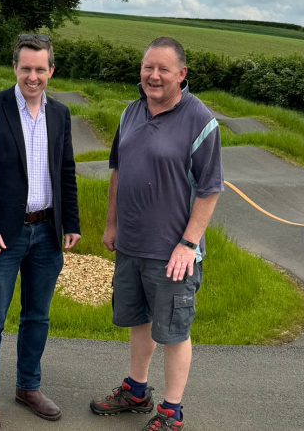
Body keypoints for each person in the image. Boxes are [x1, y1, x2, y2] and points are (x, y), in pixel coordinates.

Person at [90, 37, 223, 431]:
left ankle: (171, 412)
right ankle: (136, 391)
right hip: (131, 243)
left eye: (164, 69)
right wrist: (112, 224)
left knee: (173, 331)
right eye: (149, 67)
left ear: (181, 75)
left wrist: (187, 244)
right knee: (139, 320)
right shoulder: (129, 114)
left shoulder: (201, 121)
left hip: (172, 251)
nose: (154, 75)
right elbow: (118, 171)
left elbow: (210, 188)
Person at [0, 34, 81, 431]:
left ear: (52, 70)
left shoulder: (61, 114)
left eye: (40, 69)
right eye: (26, 68)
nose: (33, 76)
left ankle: (28, 388)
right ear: (14, 68)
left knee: (38, 317)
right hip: (3, 237)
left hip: (47, 232)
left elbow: (66, 171)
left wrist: (72, 224)